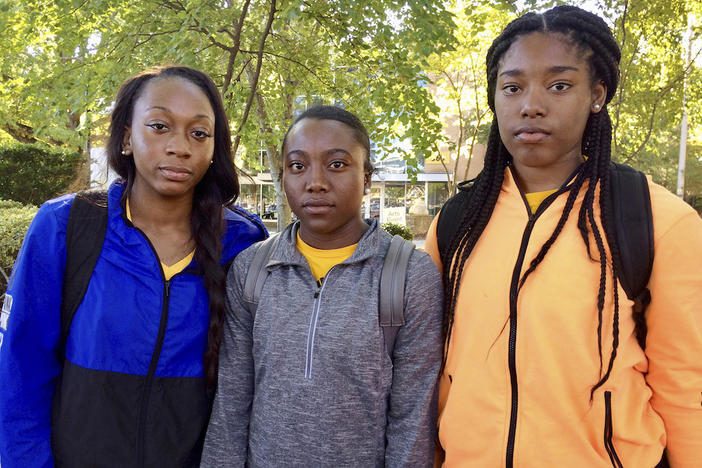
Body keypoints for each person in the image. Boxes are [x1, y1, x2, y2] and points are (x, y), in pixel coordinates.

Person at [424, 6, 702, 467]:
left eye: (559, 85)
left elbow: (685, 385)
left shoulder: (655, 220)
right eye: (512, 87)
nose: (531, 104)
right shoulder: (457, 223)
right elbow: (431, 370)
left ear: (597, 94)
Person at [0, 65, 267, 467]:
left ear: (215, 149)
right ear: (126, 136)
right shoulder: (66, 226)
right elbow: (21, 370)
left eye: (199, 133)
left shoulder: (241, 242)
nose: (180, 146)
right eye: (160, 126)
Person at [201, 105, 443, 467]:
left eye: (337, 164)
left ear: (366, 177)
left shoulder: (408, 274)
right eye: (298, 166)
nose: (315, 182)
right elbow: (232, 404)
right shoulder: (252, 269)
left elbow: (413, 418)